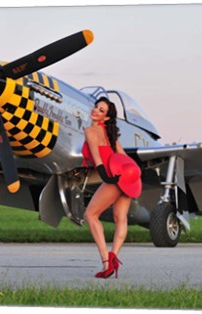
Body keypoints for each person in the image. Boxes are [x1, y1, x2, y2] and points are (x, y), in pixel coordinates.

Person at [81, 96, 136, 279]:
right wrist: (133, 176)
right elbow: (125, 157)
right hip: (127, 177)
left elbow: (97, 157)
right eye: (96, 107)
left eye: (101, 110)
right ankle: (114, 257)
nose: (96, 110)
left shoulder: (90, 131)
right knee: (120, 218)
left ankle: (106, 262)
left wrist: (106, 175)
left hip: (113, 177)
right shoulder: (111, 136)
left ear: (105, 118)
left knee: (90, 215)